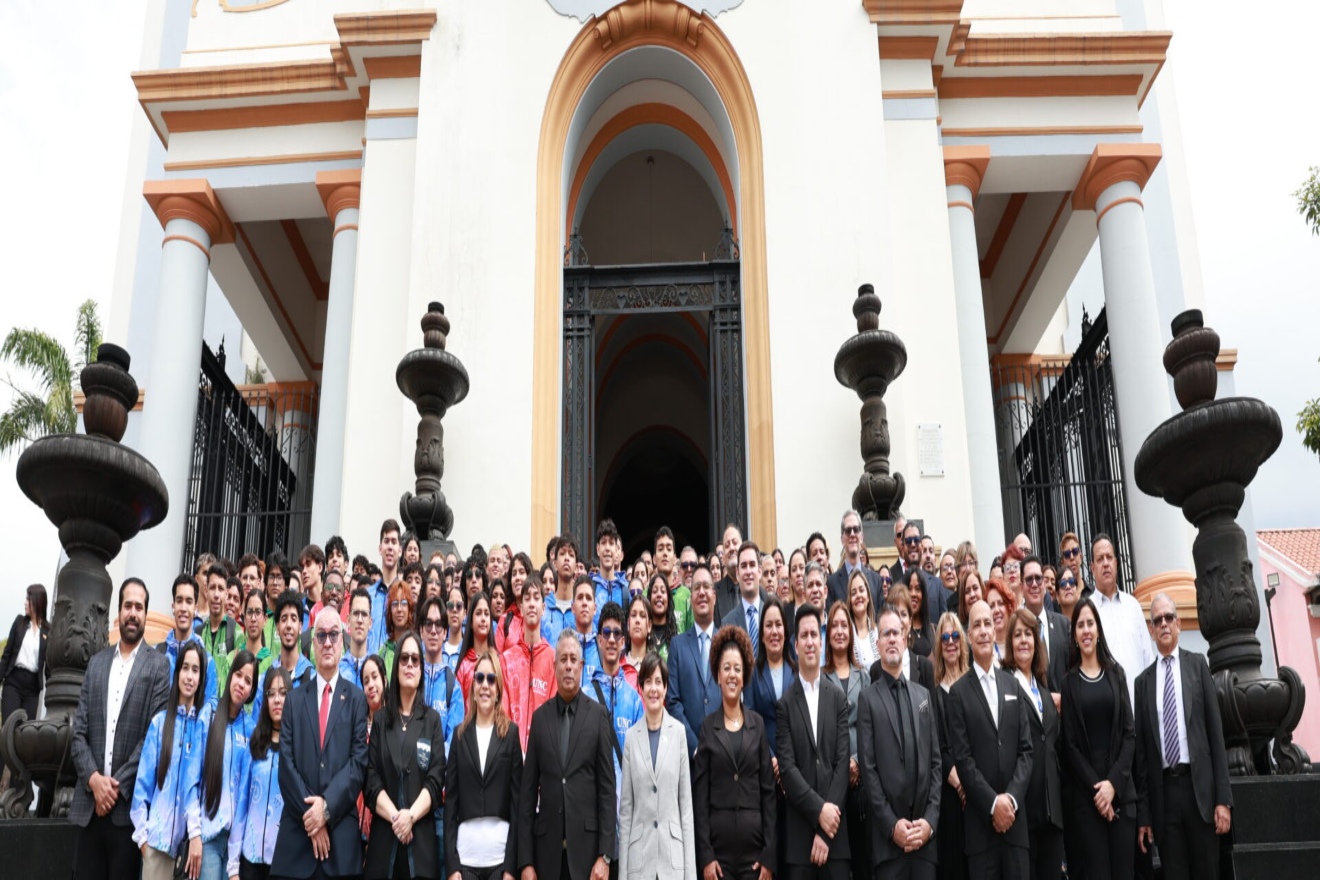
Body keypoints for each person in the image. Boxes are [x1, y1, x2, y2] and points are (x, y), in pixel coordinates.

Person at [70, 578, 173, 880]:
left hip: (127, 813)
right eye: (128, 605)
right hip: (89, 808)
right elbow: (78, 732)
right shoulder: (96, 663)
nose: (133, 613)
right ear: (119, 611)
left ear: (145, 614)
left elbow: (152, 739)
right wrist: (94, 780)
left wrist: (113, 788)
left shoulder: (158, 666)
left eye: (139, 607)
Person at [1134, 593, 1233, 880]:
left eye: (1169, 618)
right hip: (1164, 798)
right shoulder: (1142, 684)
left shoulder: (1197, 666)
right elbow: (1142, 756)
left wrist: (1223, 800)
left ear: (1178, 624)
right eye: (1157, 620)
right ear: (1151, 630)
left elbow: (1216, 735)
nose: (1164, 624)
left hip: (1200, 792)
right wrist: (1145, 814)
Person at [269, 607, 369, 880]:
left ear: (342, 641)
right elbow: (286, 765)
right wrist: (312, 818)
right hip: (296, 844)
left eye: (333, 635)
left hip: (340, 849)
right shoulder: (294, 700)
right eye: (321, 635)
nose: (327, 642)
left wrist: (326, 809)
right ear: (312, 643)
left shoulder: (357, 700)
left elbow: (357, 765)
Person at [517, 630, 618, 880]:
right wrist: (526, 862)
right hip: (546, 858)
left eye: (574, 659)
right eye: (563, 659)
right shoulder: (540, 719)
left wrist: (605, 856)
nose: (569, 666)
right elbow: (527, 795)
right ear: (554, 666)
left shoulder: (597, 716)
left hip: (588, 858)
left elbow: (607, 791)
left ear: (582, 666)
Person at [946, 600, 1032, 880]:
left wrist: (1011, 800)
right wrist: (994, 805)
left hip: (1016, 828)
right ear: (969, 636)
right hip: (981, 833)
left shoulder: (1013, 685)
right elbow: (963, 760)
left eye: (987, 623)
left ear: (995, 631)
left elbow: (1026, 751)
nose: (983, 630)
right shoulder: (958, 694)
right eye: (976, 625)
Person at [857, 606, 941, 880]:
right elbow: (868, 771)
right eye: (886, 634)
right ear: (878, 643)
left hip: (924, 844)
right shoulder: (867, 699)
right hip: (888, 847)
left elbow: (935, 764)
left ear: (905, 640)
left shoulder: (923, 696)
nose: (892, 638)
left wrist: (929, 821)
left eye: (896, 633)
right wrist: (892, 826)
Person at [1059, 597, 1136, 880]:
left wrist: (1113, 784)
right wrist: (1098, 792)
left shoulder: (1117, 675)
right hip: (1088, 802)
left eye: (1090, 623)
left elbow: (1129, 734)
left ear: (1098, 630)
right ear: (1075, 636)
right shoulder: (1068, 683)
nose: (1086, 630)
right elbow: (1070, 746)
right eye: (1080, 625)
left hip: (1121, 795)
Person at [694, 626, 776, 880]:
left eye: (737, 669)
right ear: (718, 676)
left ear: (745, 675)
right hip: (718, 860)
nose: (732, 674)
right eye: (726, 668)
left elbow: (768, 794)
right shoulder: (707, 727)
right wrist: (706, 857)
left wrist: (769, 856)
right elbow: (700, 798)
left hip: (755, 859)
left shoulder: (757, 725)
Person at [364, 629, 447, 880]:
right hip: (383, 850)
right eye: (404, 658)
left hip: (420, 853)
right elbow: (371, 780)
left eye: (415, 659)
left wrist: (410, 816)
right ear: (396, 666)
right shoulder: (380, 720)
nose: (409, 664)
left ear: (421, 669)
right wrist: (398, 819)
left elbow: (436, 780)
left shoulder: (432, 720)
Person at [776, 604, 851, 880]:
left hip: (835, 839)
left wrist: (827, 830)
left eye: (814, 635)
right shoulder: (784, 705)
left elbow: (842, 764)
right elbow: (787, 770)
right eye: (803, 636)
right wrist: (820, 812)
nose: (809, 641)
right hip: (800, 845)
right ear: (795, 645)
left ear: (821, 641)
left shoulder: (838, 698)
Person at [131, 640, 208, 880]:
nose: (189, 676)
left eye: (195, 670)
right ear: (177, 673)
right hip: (157, 848)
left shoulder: (203, 729)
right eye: (185, 668)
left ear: (201, 678)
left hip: (191, 852)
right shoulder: (160, 724)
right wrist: (144, 842)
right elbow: (141, 789)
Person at [445, 651, 522, 880]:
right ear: (473, 687)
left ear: (498, 688)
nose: (485, 685)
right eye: (479, 678)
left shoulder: (511, 734)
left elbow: (517, 805)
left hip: (500, 862)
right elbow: (451, 804)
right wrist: (452, 867)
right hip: (465, 863)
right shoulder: (459, 736)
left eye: (491, 679)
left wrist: (511, 868)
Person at [619, 651, 696, 880]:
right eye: (648, 681)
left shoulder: (679, 733)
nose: (653, 688)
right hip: (639, 863)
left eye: (658, 682)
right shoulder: (631, 738)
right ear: (641, 687)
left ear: (665, 688)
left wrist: (690, 874)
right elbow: (626, 811)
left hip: (672, 862)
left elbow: (685, 808)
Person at [1000, 609, 1064, 880]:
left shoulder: (1044, 689)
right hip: (1023, 811)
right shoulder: (1003, 685)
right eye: (1017, 635)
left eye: (1028, 634)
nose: (1024, 640)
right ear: (1010, 643)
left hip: (1052, 812)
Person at [198, 650, 259, 880]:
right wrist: (194, 833)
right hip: (208, 836)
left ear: (252, 690)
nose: (241, 684)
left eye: (248, 681)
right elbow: (193, 777)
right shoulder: (209, 714)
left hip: (235, 844)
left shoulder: (251, 730)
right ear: (230, 675)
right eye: (238, 675)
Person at [821, 601, 870, 880]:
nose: (839, 631)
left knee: (863, 863)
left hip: (861, 785)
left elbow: (870, 728)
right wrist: (842, 767)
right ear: (828, 633)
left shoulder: (863, 676)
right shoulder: (820, 678)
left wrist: (857, 761)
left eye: (844, 625)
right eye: (834, 626)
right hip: (832, 786)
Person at [229, 665, 290, 880]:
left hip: (282, 861)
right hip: (250, 859)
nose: (277, 700)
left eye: (283, 693)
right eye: (271, 694)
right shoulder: (255, 743)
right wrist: (233, 866)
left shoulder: (296, 749)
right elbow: (242, 804)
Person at [1089, 535, 1154, 707]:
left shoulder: (1133, 606)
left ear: (1116, 563)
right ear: (1092, 568)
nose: (1105, 563)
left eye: (1109, 557)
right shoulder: (1088, 610)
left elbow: (1147, 657)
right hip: (1106, 707)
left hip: (1139, 704)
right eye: (1100, 559)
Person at [666, 564, 721, 755]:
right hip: (688, 757)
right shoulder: (677, 646)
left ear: (714, 595)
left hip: (723, 753)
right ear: (691, 598)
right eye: (696, 588)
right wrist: (695, 747)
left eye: (706, 587)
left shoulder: (727, 644)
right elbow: (673, 701)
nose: (702, 592)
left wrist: (721, 744)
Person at [583, 601, 645, 772]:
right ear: (599, 639)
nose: (611, 639)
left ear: (623, 641)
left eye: (617, 633)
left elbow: (641, 756)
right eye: (606, 632)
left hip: (626, 788)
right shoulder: (585, 696)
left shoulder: (634, 699)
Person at [931, 612, 968, 880]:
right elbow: (938, 746)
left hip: (977, 794)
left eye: (955, 636)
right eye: (945, 638)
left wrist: (971, 785)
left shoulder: (974, 686)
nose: (951, 642)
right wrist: (960, 783)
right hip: (950, 793)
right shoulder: (933, 694)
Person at [502, 576, 554, 753]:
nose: (532, 603)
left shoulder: (553, 660)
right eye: (527, 598)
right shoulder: (506, 659)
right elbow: (503, 713)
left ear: (543, 608)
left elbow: (553, 715)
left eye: (536, 597)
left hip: (542, 756)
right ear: (521, 608)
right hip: (511, 755)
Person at [747, 598, 796, 772]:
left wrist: (787, 760)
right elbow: (750, 720)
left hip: (795, 764)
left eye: (778, 625)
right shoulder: (752, 674)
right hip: (764, 764)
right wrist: (771, 757)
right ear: (761, 635)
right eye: (768, 626)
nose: (774, 631)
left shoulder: (797, 672)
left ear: (785, 631)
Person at [158, 574, 220, 709]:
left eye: (189, 601)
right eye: (179, 600)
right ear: (173, 606)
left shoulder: (206, 661)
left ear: (195, 608)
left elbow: (211, 706)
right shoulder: (158, 653)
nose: (183, 608)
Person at [1020, 557, 1070, 697]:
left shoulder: (1063, 625)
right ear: (1021, 586)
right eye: (1029, 579)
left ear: (1043, 584)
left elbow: (1073, 671)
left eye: (1038, 578)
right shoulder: (1016, 630)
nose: (1034, 584)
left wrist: (1064, 699)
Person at [0, 583, 49, 726]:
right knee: (9, 727)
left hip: (32, 689)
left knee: (26, 732)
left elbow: (49, 667)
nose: (25, 603)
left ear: (38, 602)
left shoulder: (48, 631)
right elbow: (6, 656)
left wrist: (51, 694)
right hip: (13, 682)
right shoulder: (19, 622)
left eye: (28, 599)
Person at [878, 584, 936, 695]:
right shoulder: (876, 670)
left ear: (910, 622)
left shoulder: (925, 667)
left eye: (903, 614)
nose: (899, 620)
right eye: (895, 613)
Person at [826, 511, 884, 609]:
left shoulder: (876, 581)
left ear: (861, 537)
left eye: (856, 529)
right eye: (848, 530)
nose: (852, 534)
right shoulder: (832, 583)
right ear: (842, 539)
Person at [368, 520, 404, 656]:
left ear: (400, 550)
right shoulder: (368, 595)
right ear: (380, 548)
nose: (390, 547)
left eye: (394, 542)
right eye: (386, 541)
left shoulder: (405, 596)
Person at [457, 591, 498, 699]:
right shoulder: (463, 666)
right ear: (470, 622)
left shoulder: (499, 662)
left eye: (486, 614)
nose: (483, 618)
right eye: (478, 613)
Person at [340, 588, 375, 688]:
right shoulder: (337, 670)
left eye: (364, 614)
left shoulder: (375, 670)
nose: (360, 620)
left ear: (370, 623)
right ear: (348, 620)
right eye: (355, 613)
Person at [846, 569, 879, 672]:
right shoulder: (846, 635)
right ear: (850, 601)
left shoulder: (878, 633)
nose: (858, 595)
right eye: (853, 593)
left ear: (868, 596)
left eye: (861, 590)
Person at [620, 593, 653, 689]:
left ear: (649, 626)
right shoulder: (618, 666)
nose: (637, 620)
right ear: (628, 624)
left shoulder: (656, 666)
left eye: (642, 616)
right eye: (633, 615)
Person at [905, 569, 935, 659]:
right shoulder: (899, 633)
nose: (913, 594)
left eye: (918, 589)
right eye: (909, 589)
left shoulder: (934, 631)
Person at [648, 572, 678, 657]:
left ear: (668, 599)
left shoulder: (677, 640)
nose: (659, 595)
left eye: (663, 591)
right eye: (655, 591)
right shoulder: (643, 635)